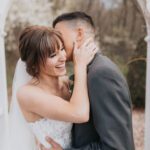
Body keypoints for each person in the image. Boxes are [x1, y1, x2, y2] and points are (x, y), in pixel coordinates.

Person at [41, 11, 135, 150]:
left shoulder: (102, 74)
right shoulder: (86, 71)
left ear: (79, 34)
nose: (55, 42)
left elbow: (117, 147)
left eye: (59, 36)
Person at [9, 25, 97, 150]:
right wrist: (80, 65)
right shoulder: (27, 94)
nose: (63, 57)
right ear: (34, 63)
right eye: (53, 55)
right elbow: (80, 114)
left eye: (62, 49)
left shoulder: (68, 83)